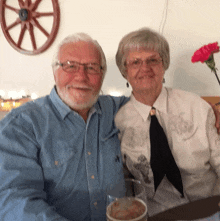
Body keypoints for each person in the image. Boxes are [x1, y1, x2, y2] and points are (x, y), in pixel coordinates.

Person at [0, 33, 128, 221]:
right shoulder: (22, 124)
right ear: (55, 71)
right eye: (70, 66)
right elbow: (14, 199)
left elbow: (151, 103)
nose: (81, 76)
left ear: (102, 75)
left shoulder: (118, 110)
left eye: (92, 68)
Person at [114, 28, 220, 219]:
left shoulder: (196, 107)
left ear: (164, 65)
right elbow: (123, 181)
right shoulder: (118, 121)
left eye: (153, 60)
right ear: (125, 71)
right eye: (135, 62)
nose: (144, 67)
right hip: (158, 214)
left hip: (210, 207)